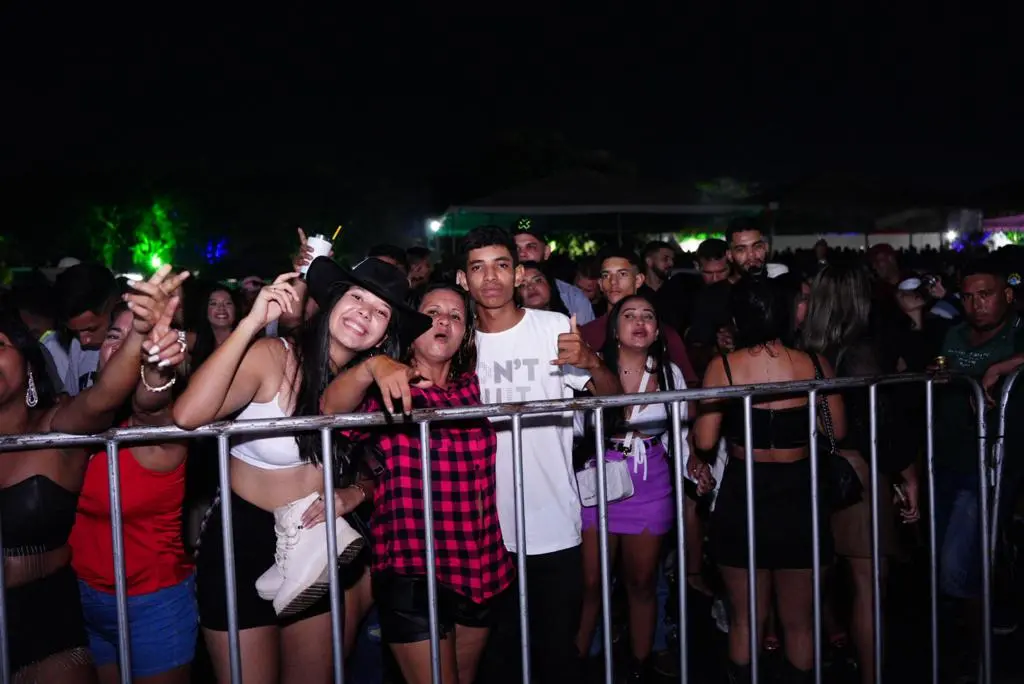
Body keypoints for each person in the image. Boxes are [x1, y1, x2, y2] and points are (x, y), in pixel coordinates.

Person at [173, 257, 431, 682]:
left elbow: (375, 465)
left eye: (382, 310)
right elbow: (187, 415)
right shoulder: (274, 356)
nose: (365, 312)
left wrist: (356, 493)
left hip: (315, 546)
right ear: (332, 301)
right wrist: (251, 324)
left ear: (386, 332)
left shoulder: (377, 385)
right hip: (242, 540)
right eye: (357, 297)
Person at [1, 265, 186, 683]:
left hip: (52, 621)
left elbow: (113, 400)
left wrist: (142, 335)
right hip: (91, 598)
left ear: (27, 362)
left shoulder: (56, 426)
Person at [323, 284, 514, 684]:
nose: (444, 320)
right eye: (432, 313)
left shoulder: (472, 387)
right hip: (413, 565)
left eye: (456, 316)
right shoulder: (389, 387)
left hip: (480, 565)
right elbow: (330, 410)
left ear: (465, 333)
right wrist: (372, 368)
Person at [458, 225, 619, 684]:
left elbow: (614, 402)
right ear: (463, 279)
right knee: (497, 659)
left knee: (555, 653)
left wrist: (591, 362)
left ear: (518, 274)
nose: (490, 277)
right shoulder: (457, 343)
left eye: (501, 265)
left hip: (553, 521)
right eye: (478, 268)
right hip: (482, 529)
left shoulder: (553, 328)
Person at [693, 276, 845, 684]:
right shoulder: (814, 363)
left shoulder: (724, 366)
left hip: (746, 491)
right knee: (800, 624)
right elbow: (837, 431)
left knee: (745, 620)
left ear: (738, 318)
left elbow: (705, 440)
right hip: (799, 491)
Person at [801, 264, 921, 684]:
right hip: (855, 470)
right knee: (869, 586)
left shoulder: (802, 346)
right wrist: (907, 473)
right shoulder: (859, 350)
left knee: (813, 581)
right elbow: (877, 422)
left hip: (810, 468)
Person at [70, 296, 196, 684]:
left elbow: (149, 407)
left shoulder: (163, 431)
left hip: (152, 606)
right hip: (85, 600)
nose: (123, 345)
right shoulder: (74, 417)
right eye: (114, 335)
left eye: (137, 336)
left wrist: (155, 369)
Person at [574, 294, 695, 682]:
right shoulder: (590, 369)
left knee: (642, 583)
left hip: (649, 483)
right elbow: (572, 429)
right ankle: (574, 665)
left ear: (658, 330)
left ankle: (640, 668)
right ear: (615, 328)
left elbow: (680, 436)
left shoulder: (670, 374)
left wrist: (695, 469)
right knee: (591, 584)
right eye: (629, 315)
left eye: (648, 316)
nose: (639, 322)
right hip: (598, 480)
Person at [55, 262, 121, 395]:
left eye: (92, 329)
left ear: (114, 306)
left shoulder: (134, 345)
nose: (83, 341)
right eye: (74, 332)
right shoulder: (76, 346)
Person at [511, 227, 595, 324]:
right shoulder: (501, 298)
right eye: (516, 248)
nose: (521, 254)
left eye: (530, 247)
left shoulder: (573, 297)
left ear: (546, 252)